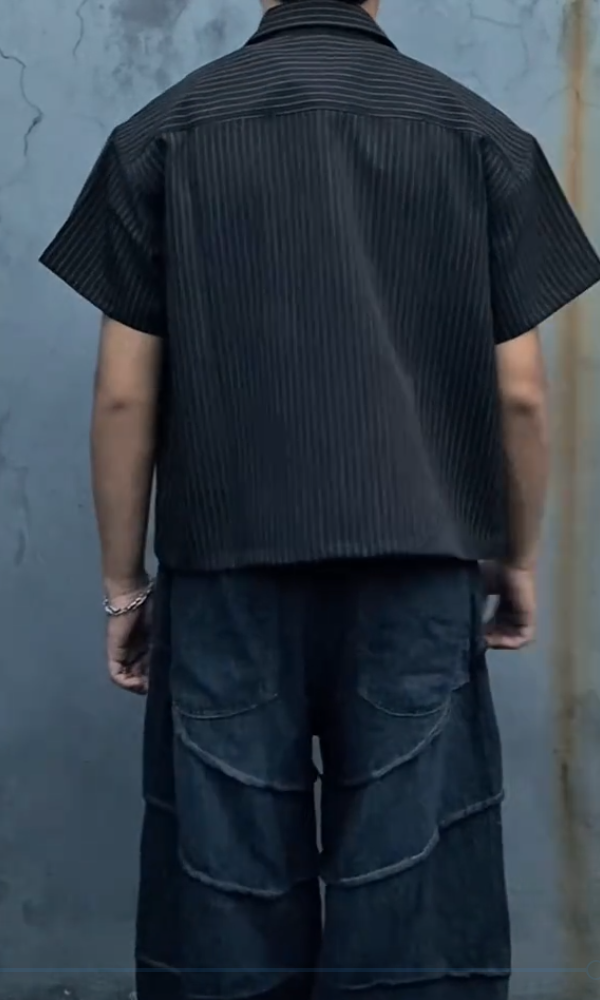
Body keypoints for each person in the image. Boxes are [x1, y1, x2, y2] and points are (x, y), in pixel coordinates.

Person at [40, 0, 600, 997]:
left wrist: (126, 588)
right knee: (410, 907)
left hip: (225, 577)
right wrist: (514, 555)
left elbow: (123, 392)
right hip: (418, 570)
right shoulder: (478, 135)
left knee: (225, 905)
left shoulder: (162, 135)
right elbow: (519, 391)